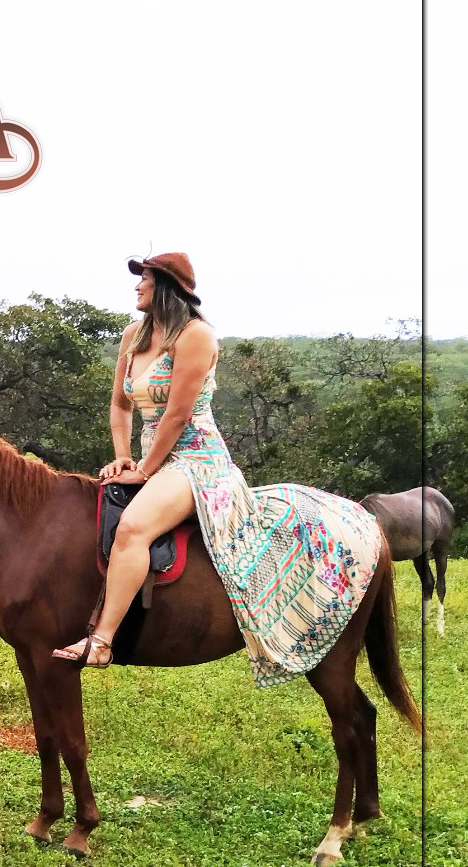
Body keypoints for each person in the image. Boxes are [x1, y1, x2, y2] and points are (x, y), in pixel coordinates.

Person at [53, 252, 381, 684]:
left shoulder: (196, 336)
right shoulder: (134, 334)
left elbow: (177, 415)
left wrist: (145, 471)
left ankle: (102, 640)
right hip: (155, 457)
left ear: (165, 287)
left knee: (133, 528)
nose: (137, 286)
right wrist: (122, 457)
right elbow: (120, 404)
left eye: (144, 279)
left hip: (197, 461)